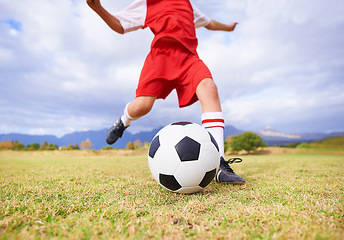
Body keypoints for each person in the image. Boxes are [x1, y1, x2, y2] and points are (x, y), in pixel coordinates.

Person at [87, 0, 245, 184]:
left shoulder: (188, 6)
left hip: (188, 58)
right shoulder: (148, 4)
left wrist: (227, 27)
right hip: (160, 59)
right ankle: (123, 122)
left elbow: (209, 23)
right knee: (142, 107)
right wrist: (96, 7)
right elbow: (120, 25)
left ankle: (219, 164)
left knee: (209, 88)